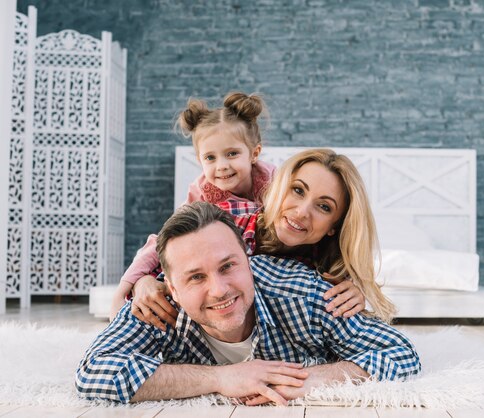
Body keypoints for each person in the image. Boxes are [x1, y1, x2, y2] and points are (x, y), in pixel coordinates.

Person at [75, 202, 421, 404]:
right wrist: (221, 379)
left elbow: (400, 353)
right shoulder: (157, 305)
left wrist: (308, 380)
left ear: (249, 257)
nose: (220, 290)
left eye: (229, 266)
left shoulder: (301, 292)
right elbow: (93, 373)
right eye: (196, 277)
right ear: (173, 288)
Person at [130, 149, 396, 333]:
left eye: (324, 207)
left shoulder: (329, 274)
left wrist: (359, 295)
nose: (302, 211)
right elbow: (174, 257)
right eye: (298, 190)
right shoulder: (229, 220)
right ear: (280, 186)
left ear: (334, 226)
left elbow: (375, 334)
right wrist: (143, 280)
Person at [109, 92, 274, 319]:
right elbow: (166, 238)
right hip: (215, 261)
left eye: (232, 154)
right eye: (210, 158)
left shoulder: (274, 184)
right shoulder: (202, 191)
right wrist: (126, 285)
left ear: (254, 153)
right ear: (199, 160)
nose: (222, 166)